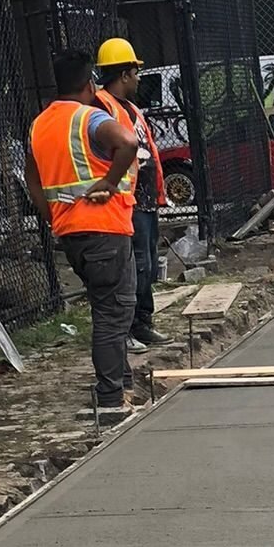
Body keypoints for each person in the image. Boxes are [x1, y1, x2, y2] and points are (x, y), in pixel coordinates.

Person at [26, 49, 140, 418]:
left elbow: (33, 180)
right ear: (90, 84)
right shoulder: (89, 118)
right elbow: (128, 143)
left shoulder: (40, 124)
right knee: (112, 314)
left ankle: (122, 386)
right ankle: (111, 397)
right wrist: (109, 179)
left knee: (110, 309)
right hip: (104, 228)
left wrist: (52, 216)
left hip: (71, 233)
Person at [92, 37, 168, 351]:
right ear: (123, 75)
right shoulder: (101, 106)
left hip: (144, 198)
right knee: (134, 266)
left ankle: (143, 323)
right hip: (126, 201)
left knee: (148, 264)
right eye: (135, 72)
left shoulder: (130, 107)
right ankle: (128, 328)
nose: (138, 78)